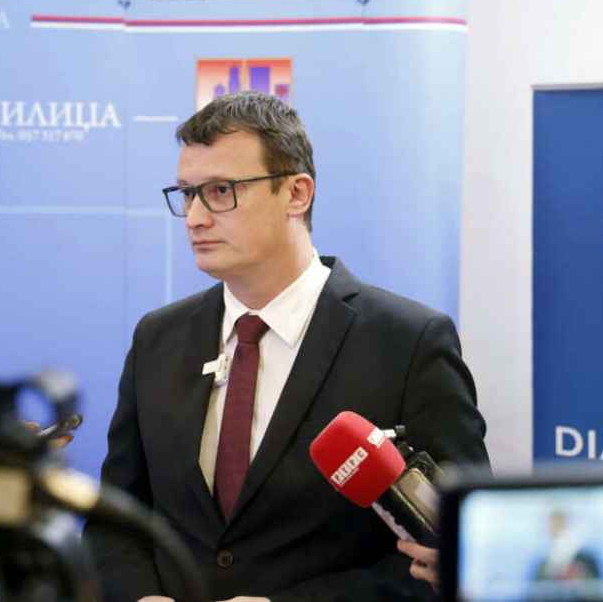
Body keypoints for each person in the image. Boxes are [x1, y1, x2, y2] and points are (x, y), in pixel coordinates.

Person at [85, 91, 489, 601]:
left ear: (297, 193)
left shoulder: (407, 341)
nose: (195, 218)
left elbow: (460, 550)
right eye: (187, 194)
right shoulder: (158, 338)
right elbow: (117, 520)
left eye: (221, 191)